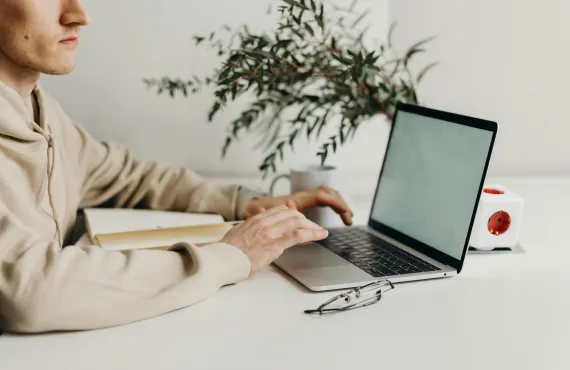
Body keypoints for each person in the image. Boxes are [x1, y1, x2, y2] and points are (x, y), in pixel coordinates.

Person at [0, 0, 353, 334]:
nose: (79, 14)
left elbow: (128, 177)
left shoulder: (39, 111)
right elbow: (30, 292)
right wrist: (228, 258)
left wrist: (246, 203)